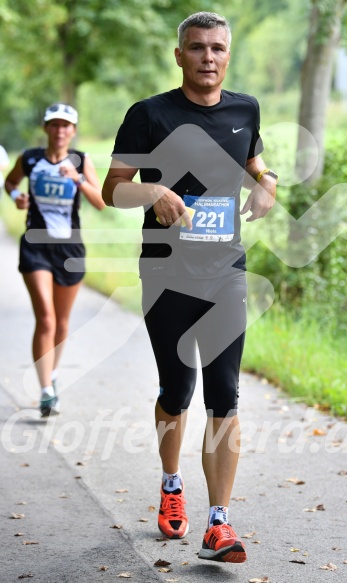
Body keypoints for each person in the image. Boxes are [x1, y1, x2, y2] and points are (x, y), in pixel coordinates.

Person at [102, 12, 277, 563]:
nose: (208, 57)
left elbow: (255, 163)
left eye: (218, 48)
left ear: (228, 55)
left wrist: (267, 183)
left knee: (225, 394)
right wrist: (151, 192)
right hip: (165, 274)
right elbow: (113, 190)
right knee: (177, 392)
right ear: (178, 55)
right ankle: (171, 483)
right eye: (197, 47)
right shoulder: (149, 115)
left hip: (226, 273)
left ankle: (219, 524)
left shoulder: (245, 108)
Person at [5, 103, 105, 417]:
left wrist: (77, 179)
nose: (60, 131)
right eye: (54, 124)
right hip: (35, 245)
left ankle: (53, 372)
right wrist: (15, 197)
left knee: (62, 323)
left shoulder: (80, 161)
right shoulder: (30, 158)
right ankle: (46, 390)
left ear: (73, 131)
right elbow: (9, 182)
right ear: (46, 128)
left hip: (69, 250)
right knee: (46, 318)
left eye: (66, 126)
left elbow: (101, 201)